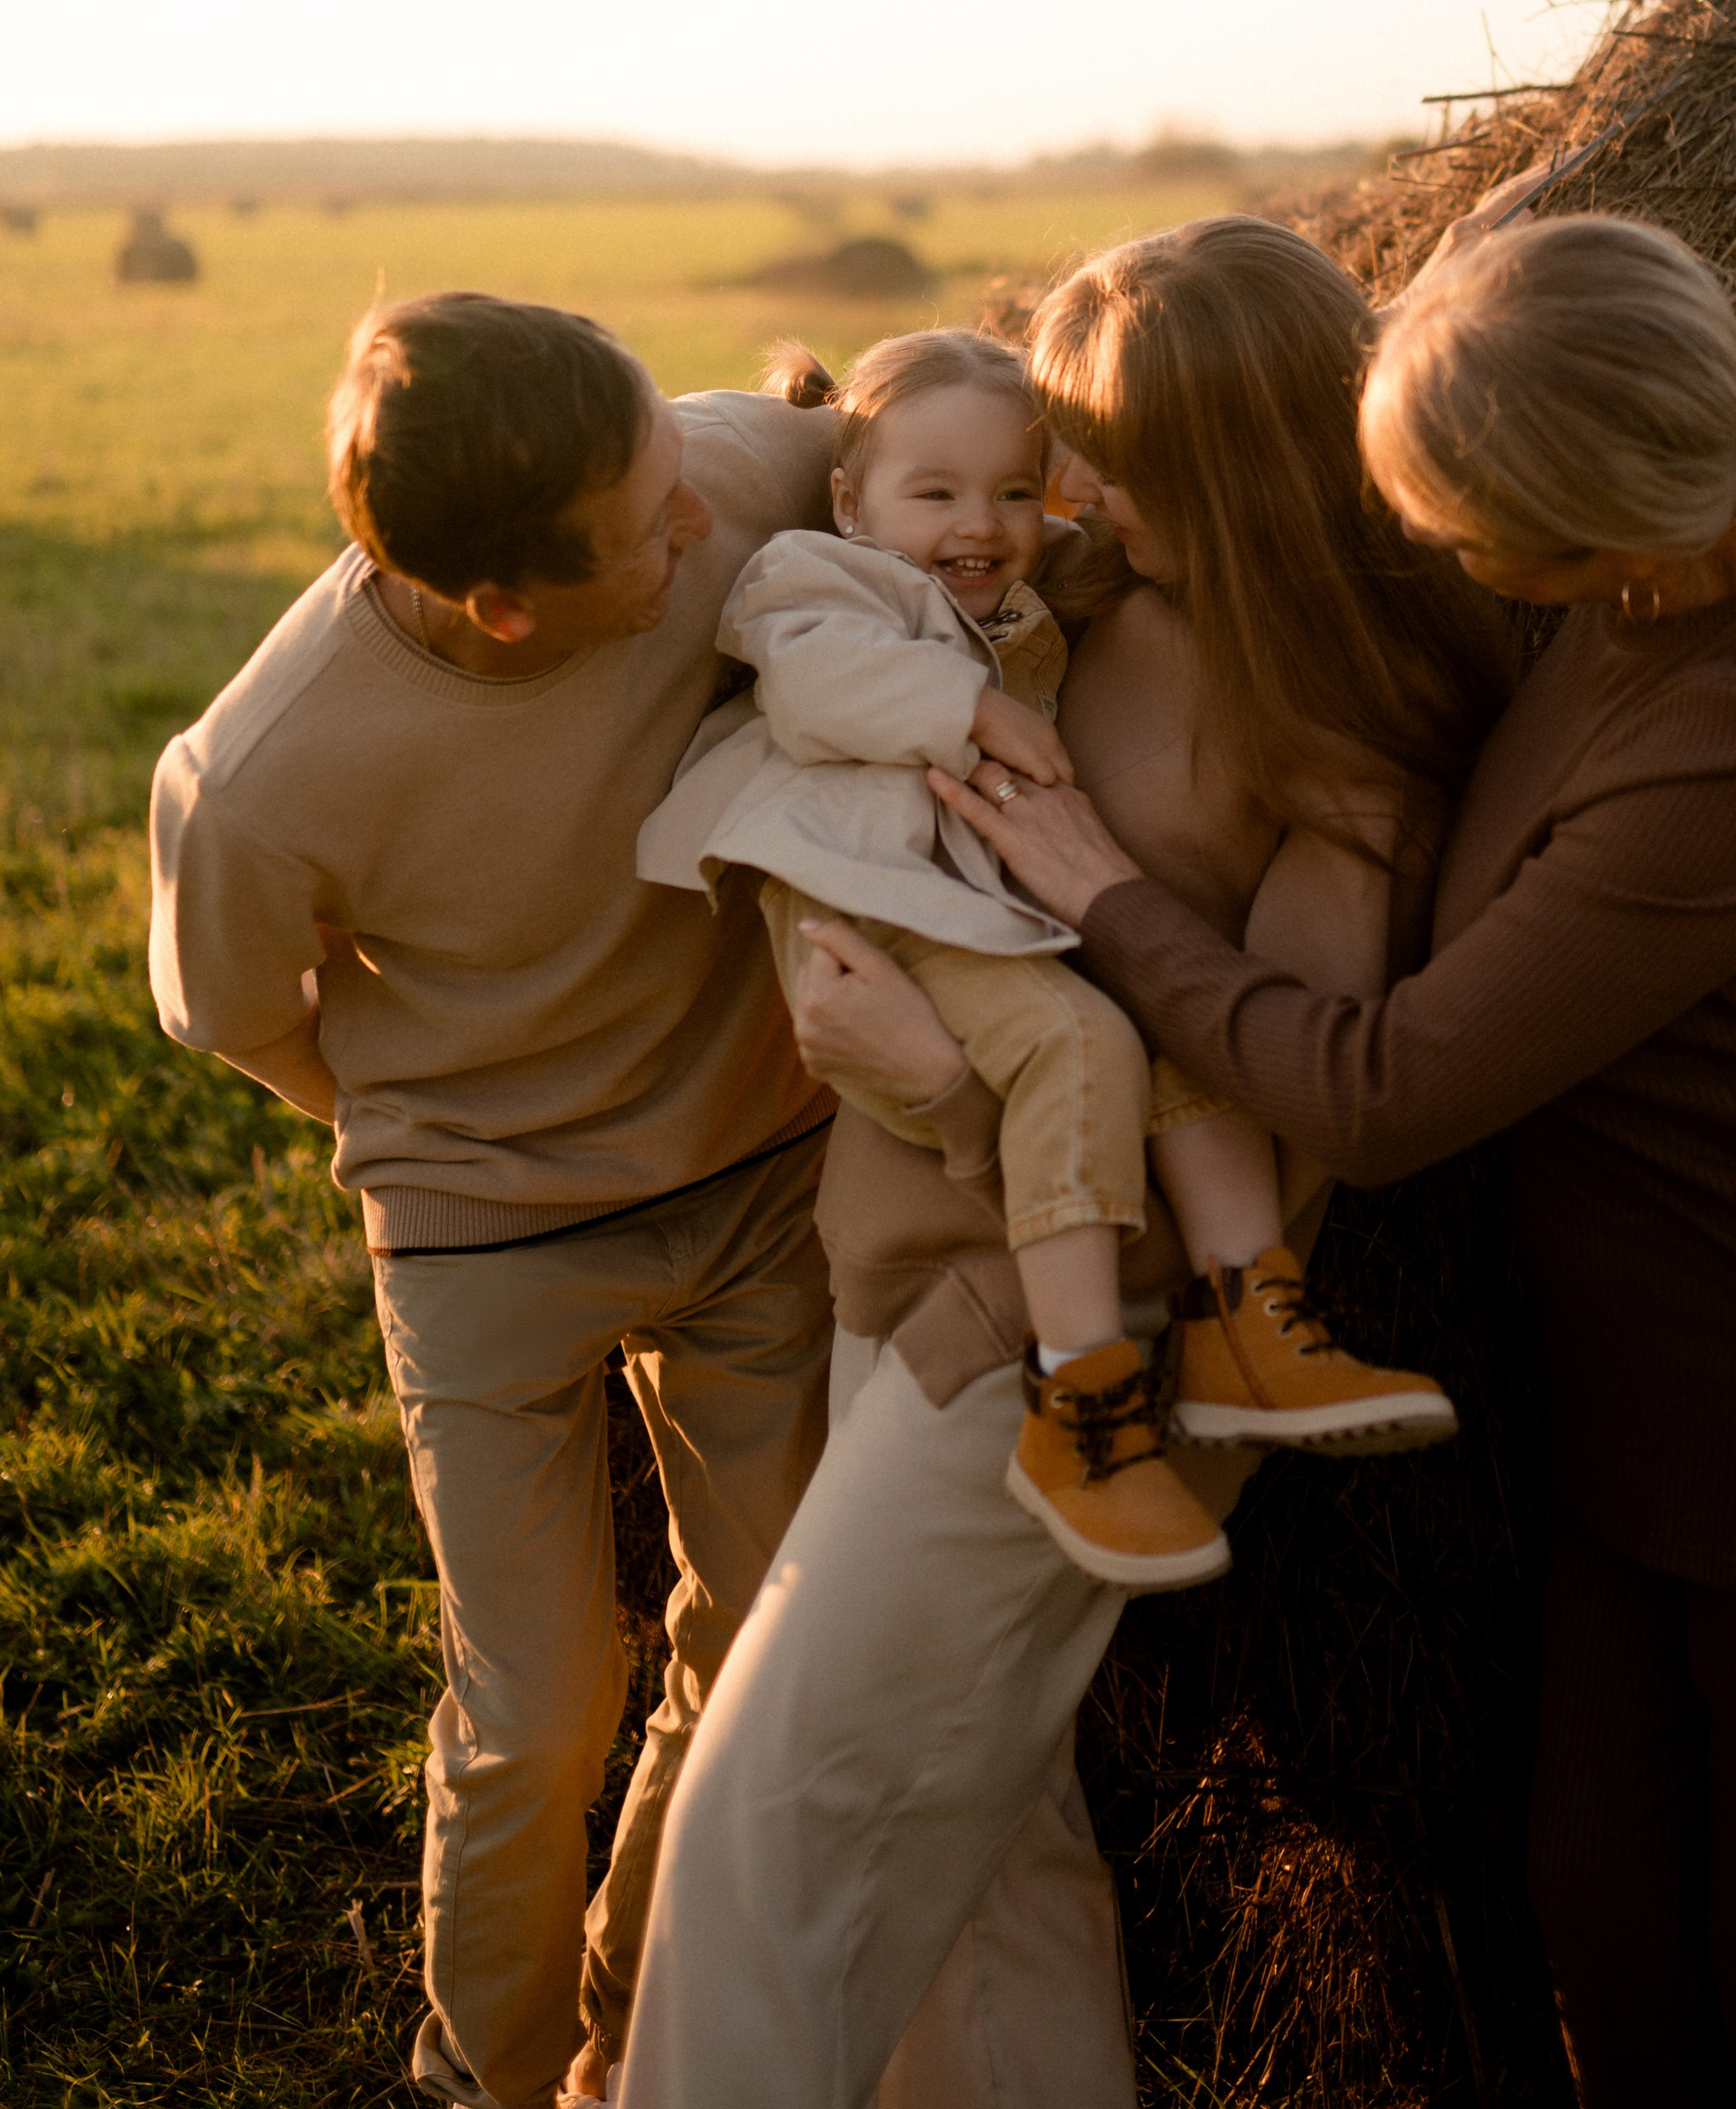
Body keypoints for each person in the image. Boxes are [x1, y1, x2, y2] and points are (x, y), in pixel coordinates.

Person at [945, 211, 1736, 2109]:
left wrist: (1111, 900)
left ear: (1598, 519)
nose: (1427, 553)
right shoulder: (1683, 546)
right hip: (1658, 1386)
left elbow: (1384, 1092)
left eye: (1457, 526)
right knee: (1603, 1901)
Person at [617, 220, 1511, 2109]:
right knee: (979, 1873)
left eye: (1105, 452)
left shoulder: (1328, 735)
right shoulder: (1092, 592)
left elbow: (1274, 1111)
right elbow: (850, 478)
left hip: (1039, 1343)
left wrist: (931, 1076)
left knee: (762, 1839)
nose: (1066, 489)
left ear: (1236, 460)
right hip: (902, 1264)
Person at [147, 291, 841, 2109]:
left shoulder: (709, 473)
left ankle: (631, 2037)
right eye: (650, 529)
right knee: (538, 1714)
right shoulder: (259, 768)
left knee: (756, 1652)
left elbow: (922, 418)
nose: (697, 527)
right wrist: (435, 1121)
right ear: (503, 600)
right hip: (478, 1239)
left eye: (676, 474)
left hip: (760, 1182)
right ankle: (482, 2078)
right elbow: (230, 1014)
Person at [640, 326, 1450, 1592]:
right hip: (884, 897)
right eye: (939, 492)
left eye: (1016, 490)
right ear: (853, 500)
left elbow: (1114, 527)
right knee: (1078, 1042)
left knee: (1160, 1010)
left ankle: (1248, 1305)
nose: (984, 522)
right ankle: (1085, 1403)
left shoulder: (1022, 592)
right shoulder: (816, 577)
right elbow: (815, 687)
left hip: (986, 897)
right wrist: (970, 707)